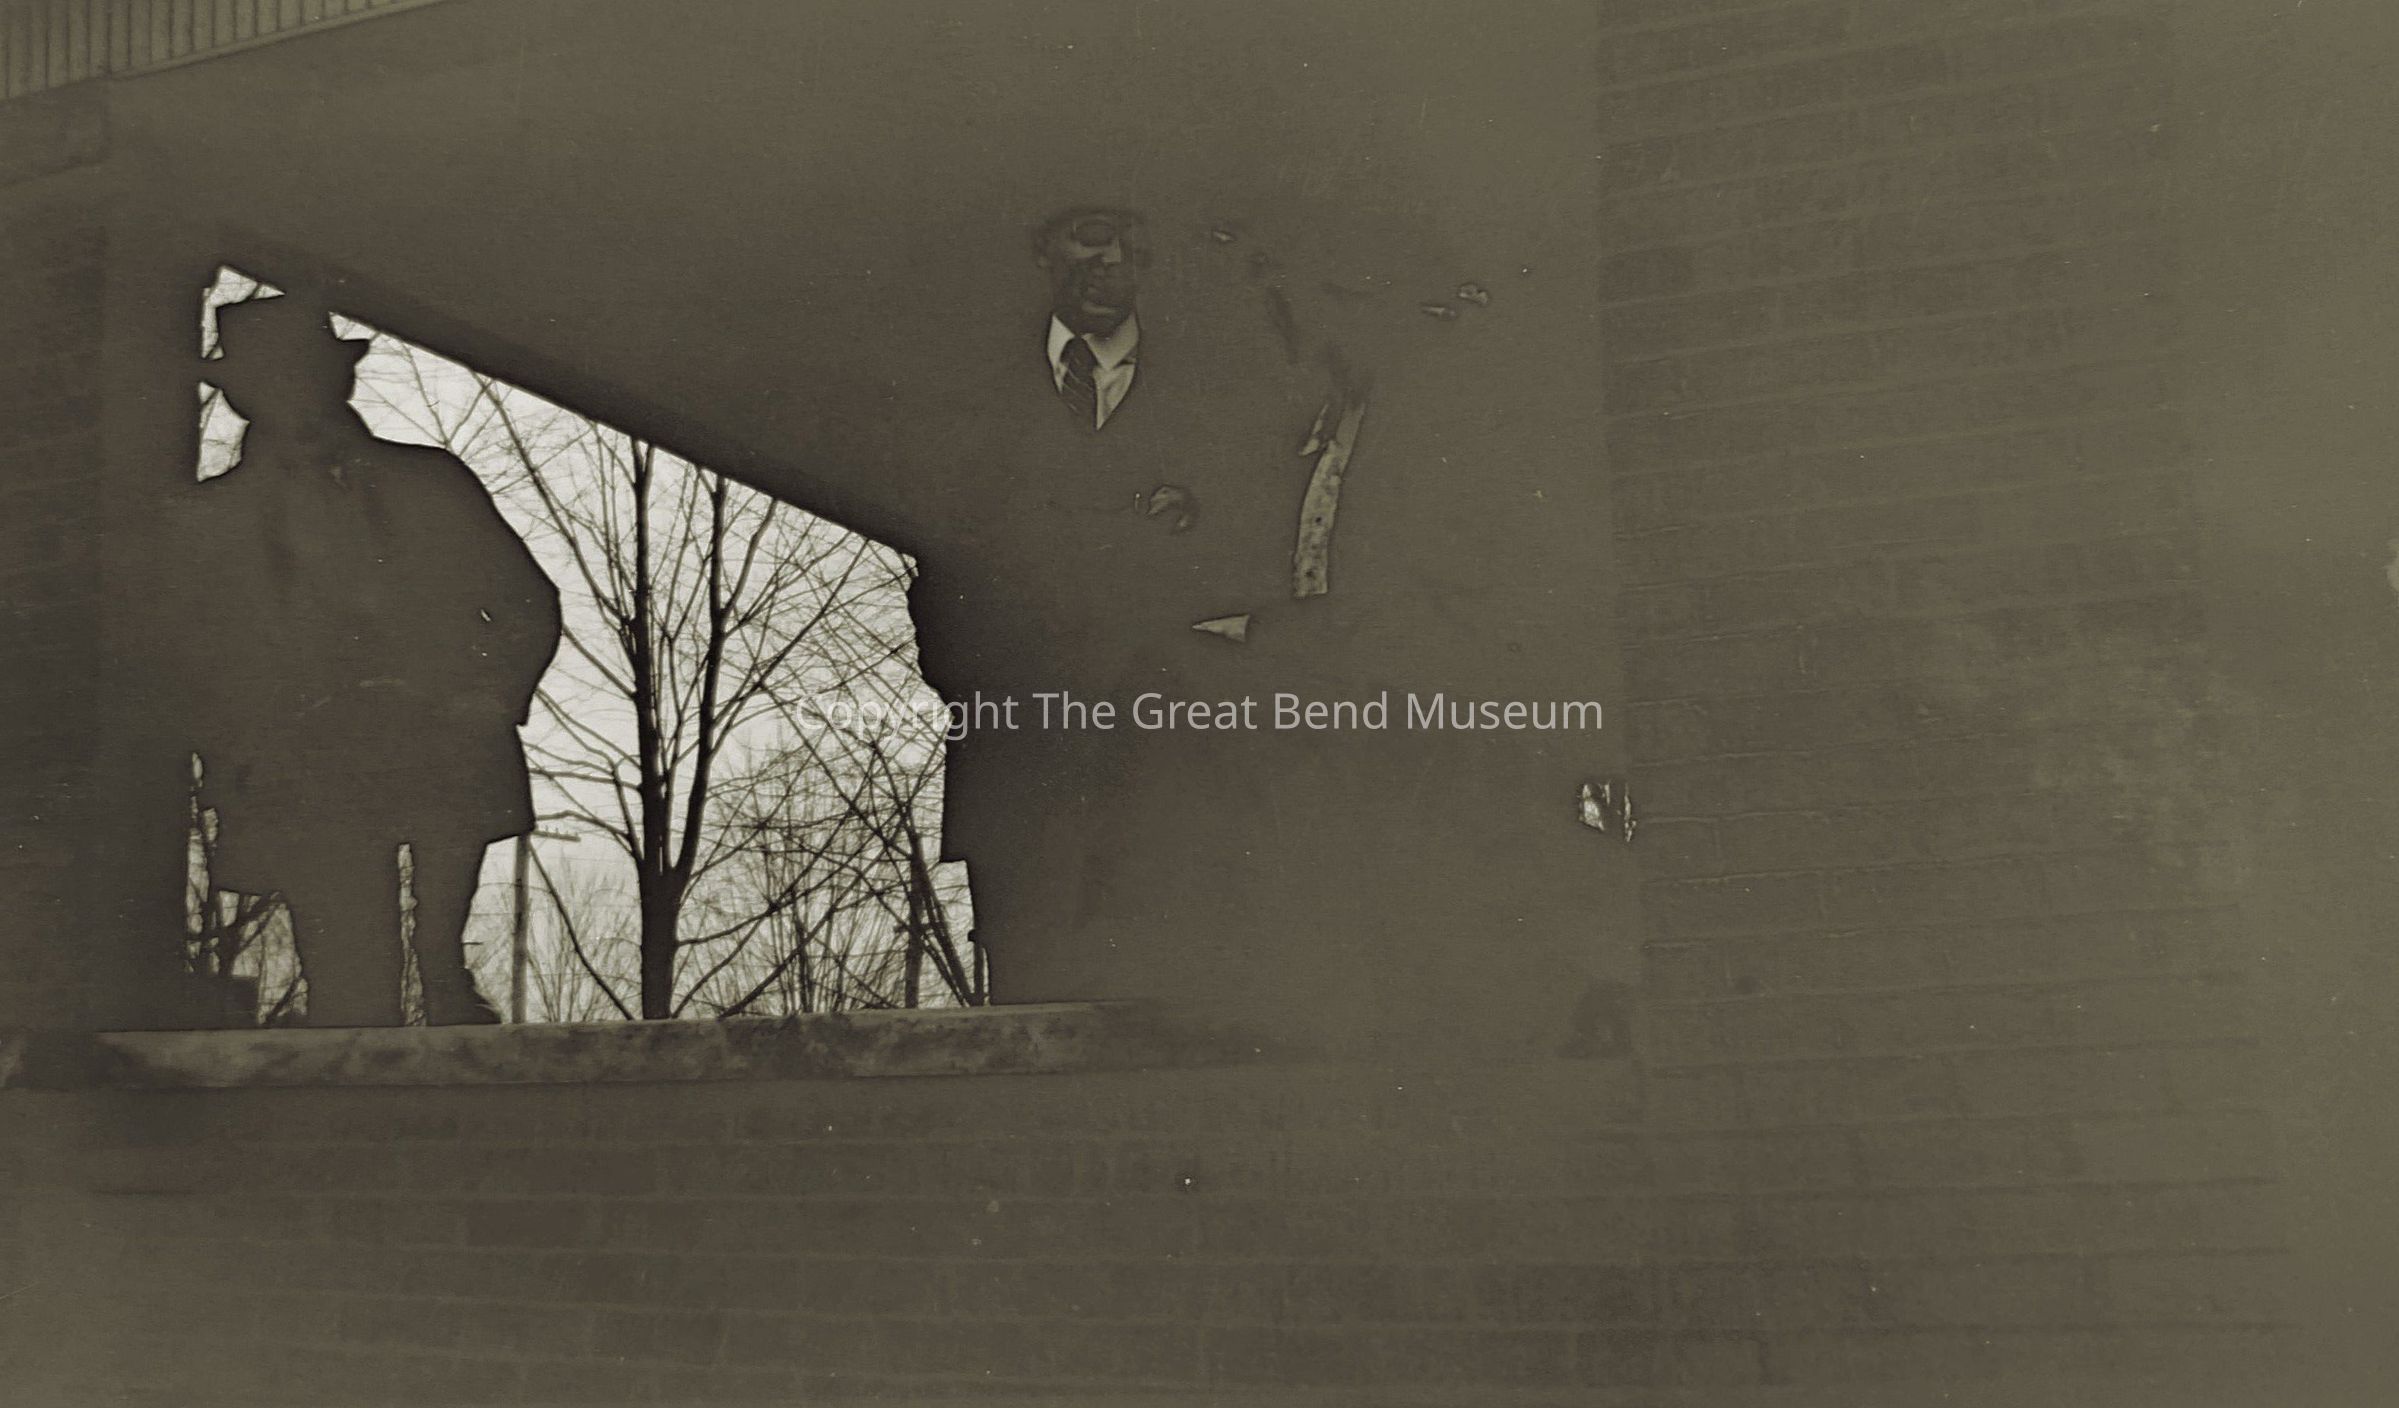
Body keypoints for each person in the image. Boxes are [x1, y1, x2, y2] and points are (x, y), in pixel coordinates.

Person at [186, 296, 561, 1026]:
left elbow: (525, 602)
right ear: (243, 394)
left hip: (437, 738)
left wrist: (487, 696)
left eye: (307, 373)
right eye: (273, 379)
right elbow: (196, 655)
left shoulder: (429, 482)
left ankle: (445, 973)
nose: (296, 395)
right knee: (348, 994)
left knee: (441, 980)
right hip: (308, 758)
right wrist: (233, 753)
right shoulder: (213, 517)